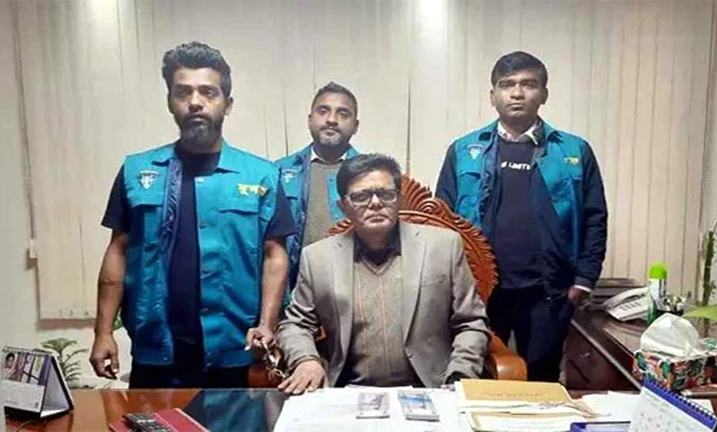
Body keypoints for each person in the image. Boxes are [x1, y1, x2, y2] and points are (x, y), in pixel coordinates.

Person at [90, 41, 295, 388]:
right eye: (183, 92)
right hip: (157, 351)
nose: (195, 102)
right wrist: (103, 332)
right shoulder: (137, 171)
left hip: (234, 349)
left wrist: (267, 323)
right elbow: (119, 250)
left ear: (227, 104)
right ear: (170, 101)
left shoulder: (261, 175)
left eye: (208, 92)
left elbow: (274, 255)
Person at [435, 51, 608, 382]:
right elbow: (441, 221)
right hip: (479, 289)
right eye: (507, 84)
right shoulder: (464, 150)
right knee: (476, 376)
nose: (517, 93)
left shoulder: (574, 151)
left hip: (548, 292)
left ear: (543, 94)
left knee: (542, 379)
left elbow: (594, 218)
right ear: (493, 95)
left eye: (528, 84)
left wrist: (584, 280)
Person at [276, 154, 490, 394]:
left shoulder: (443, 246)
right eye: (361, 196)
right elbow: (295, 324)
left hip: (431, 388)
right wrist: (306, 360)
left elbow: (471, 322)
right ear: (343, 207)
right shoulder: (318, 258)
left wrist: (459, 376)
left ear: (400, 200)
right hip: (349, 391)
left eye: (386, 194)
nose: (375, 203)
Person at [275, 82, 361, 289]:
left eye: (343, 114)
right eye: (323, 111)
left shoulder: (370, 175)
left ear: (355, 126)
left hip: (356, 287)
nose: (331, 120)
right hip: (296, 290)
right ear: (309, 119)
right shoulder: (278, 172)